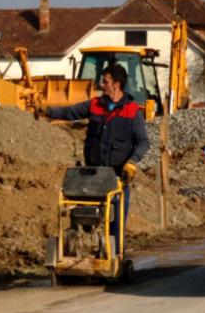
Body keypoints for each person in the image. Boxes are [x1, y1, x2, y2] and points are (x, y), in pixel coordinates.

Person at [43, 64, 149, 219]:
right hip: (92, 177)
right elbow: (69, 112)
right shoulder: (94, 105)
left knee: (116, 227)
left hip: (117, 179)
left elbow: (143, 141)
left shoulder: (133, 111)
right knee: (84, 219)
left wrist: (133, 161)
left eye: (105, 82)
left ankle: (114, 243)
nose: (101, 85)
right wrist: (47, 111)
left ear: (116, 85)